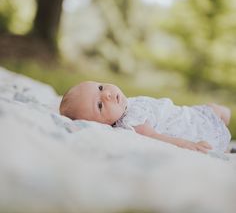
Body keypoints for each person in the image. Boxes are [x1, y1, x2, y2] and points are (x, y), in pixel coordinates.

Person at [60, 81, 231, 153]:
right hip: (191, 123)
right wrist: (188, 144)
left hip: (187, 113)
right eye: (99, 105)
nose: (107, 95)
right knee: (219, 112)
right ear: (103, 123)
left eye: (100, 87)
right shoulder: (133, 123)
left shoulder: (127, 107)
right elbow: (156, 137)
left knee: (216, 111)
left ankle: (222, 140)